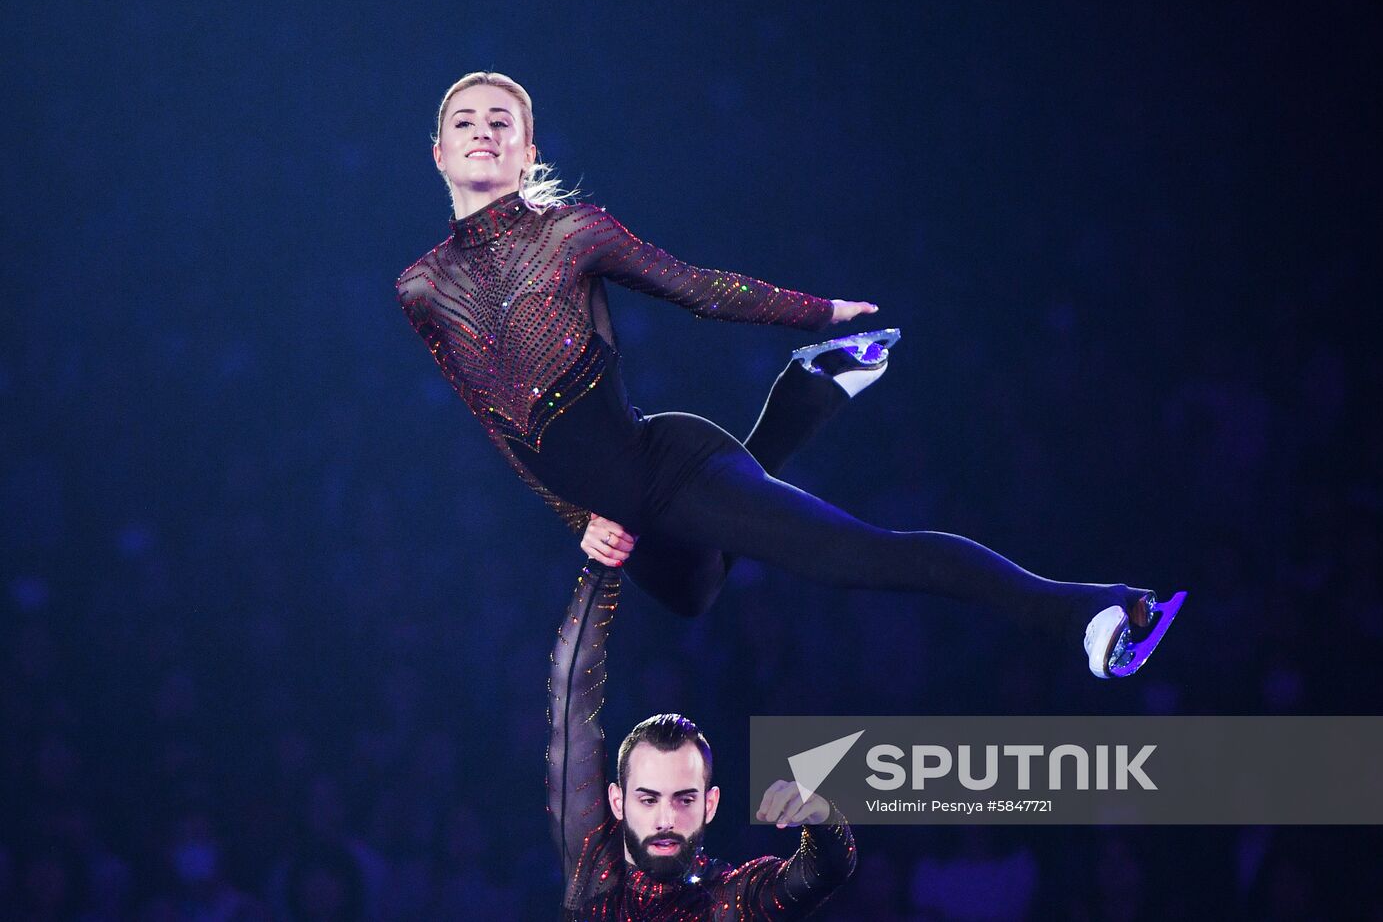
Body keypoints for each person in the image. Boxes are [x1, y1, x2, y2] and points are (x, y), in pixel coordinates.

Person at [396, 70, 1184, 678]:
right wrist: (576, 517)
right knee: (696, 593)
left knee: (862, 557)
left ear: (529, 150)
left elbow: (696, 286)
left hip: (664, 466)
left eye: (503, 122)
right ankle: (805, 396)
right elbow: (490, 415)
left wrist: (823, 310)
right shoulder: (421, 289)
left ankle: (1092, 614)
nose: (484, 132)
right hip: (614, 510)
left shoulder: (570, 233)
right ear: (437, 152)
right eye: (465, 122)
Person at [546, 561, 857, 918]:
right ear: (618, 801)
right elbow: (571, 701)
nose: (666, 820)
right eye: (648, 800)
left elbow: (827, 872)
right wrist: (602, 567)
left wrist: (822, 818)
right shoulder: (592, 872)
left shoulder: (730, 899)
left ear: (710, 803)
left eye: (684, 799)